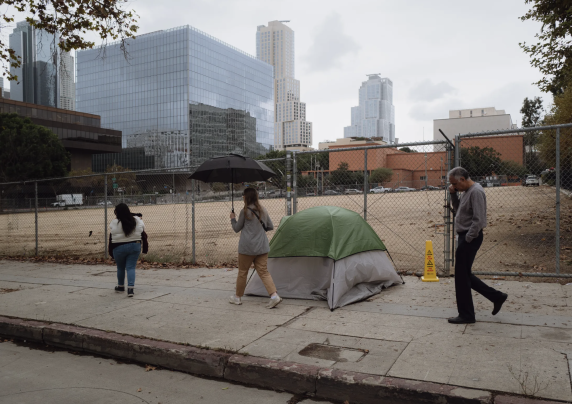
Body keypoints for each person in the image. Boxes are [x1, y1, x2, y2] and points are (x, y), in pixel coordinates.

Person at [448, 167, 508, 324]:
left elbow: (479, 219)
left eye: (454, 184)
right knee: (464, 275)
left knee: (461, 278)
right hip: (466, 237)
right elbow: (458, 209)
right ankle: (496, 296)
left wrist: (468, 238)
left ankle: (467, 315)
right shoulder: (466, 191)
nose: (454, 186)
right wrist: (453, 194)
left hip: (470, 238)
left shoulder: (476, 192)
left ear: (462, 179)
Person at [229, 188, 282, 309]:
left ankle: (237, 297)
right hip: (262, 247)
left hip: (246, 248)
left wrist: (232, 218)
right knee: (263, 272)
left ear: (246, 197)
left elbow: (237, 228)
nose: (242, 197)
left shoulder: (244, 211)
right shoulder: (263, 210)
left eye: (243, 196)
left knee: (243, 272)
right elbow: (270, 226)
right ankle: (274, 296)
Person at [109, 203, 145, 297]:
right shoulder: (137, 221)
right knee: (131, 267)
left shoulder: (114, 222)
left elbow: (112, 232)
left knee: (120, 267)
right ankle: (130, 289)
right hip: (135, 245)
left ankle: (120, 286)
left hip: (118, 247)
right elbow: (141, 226)